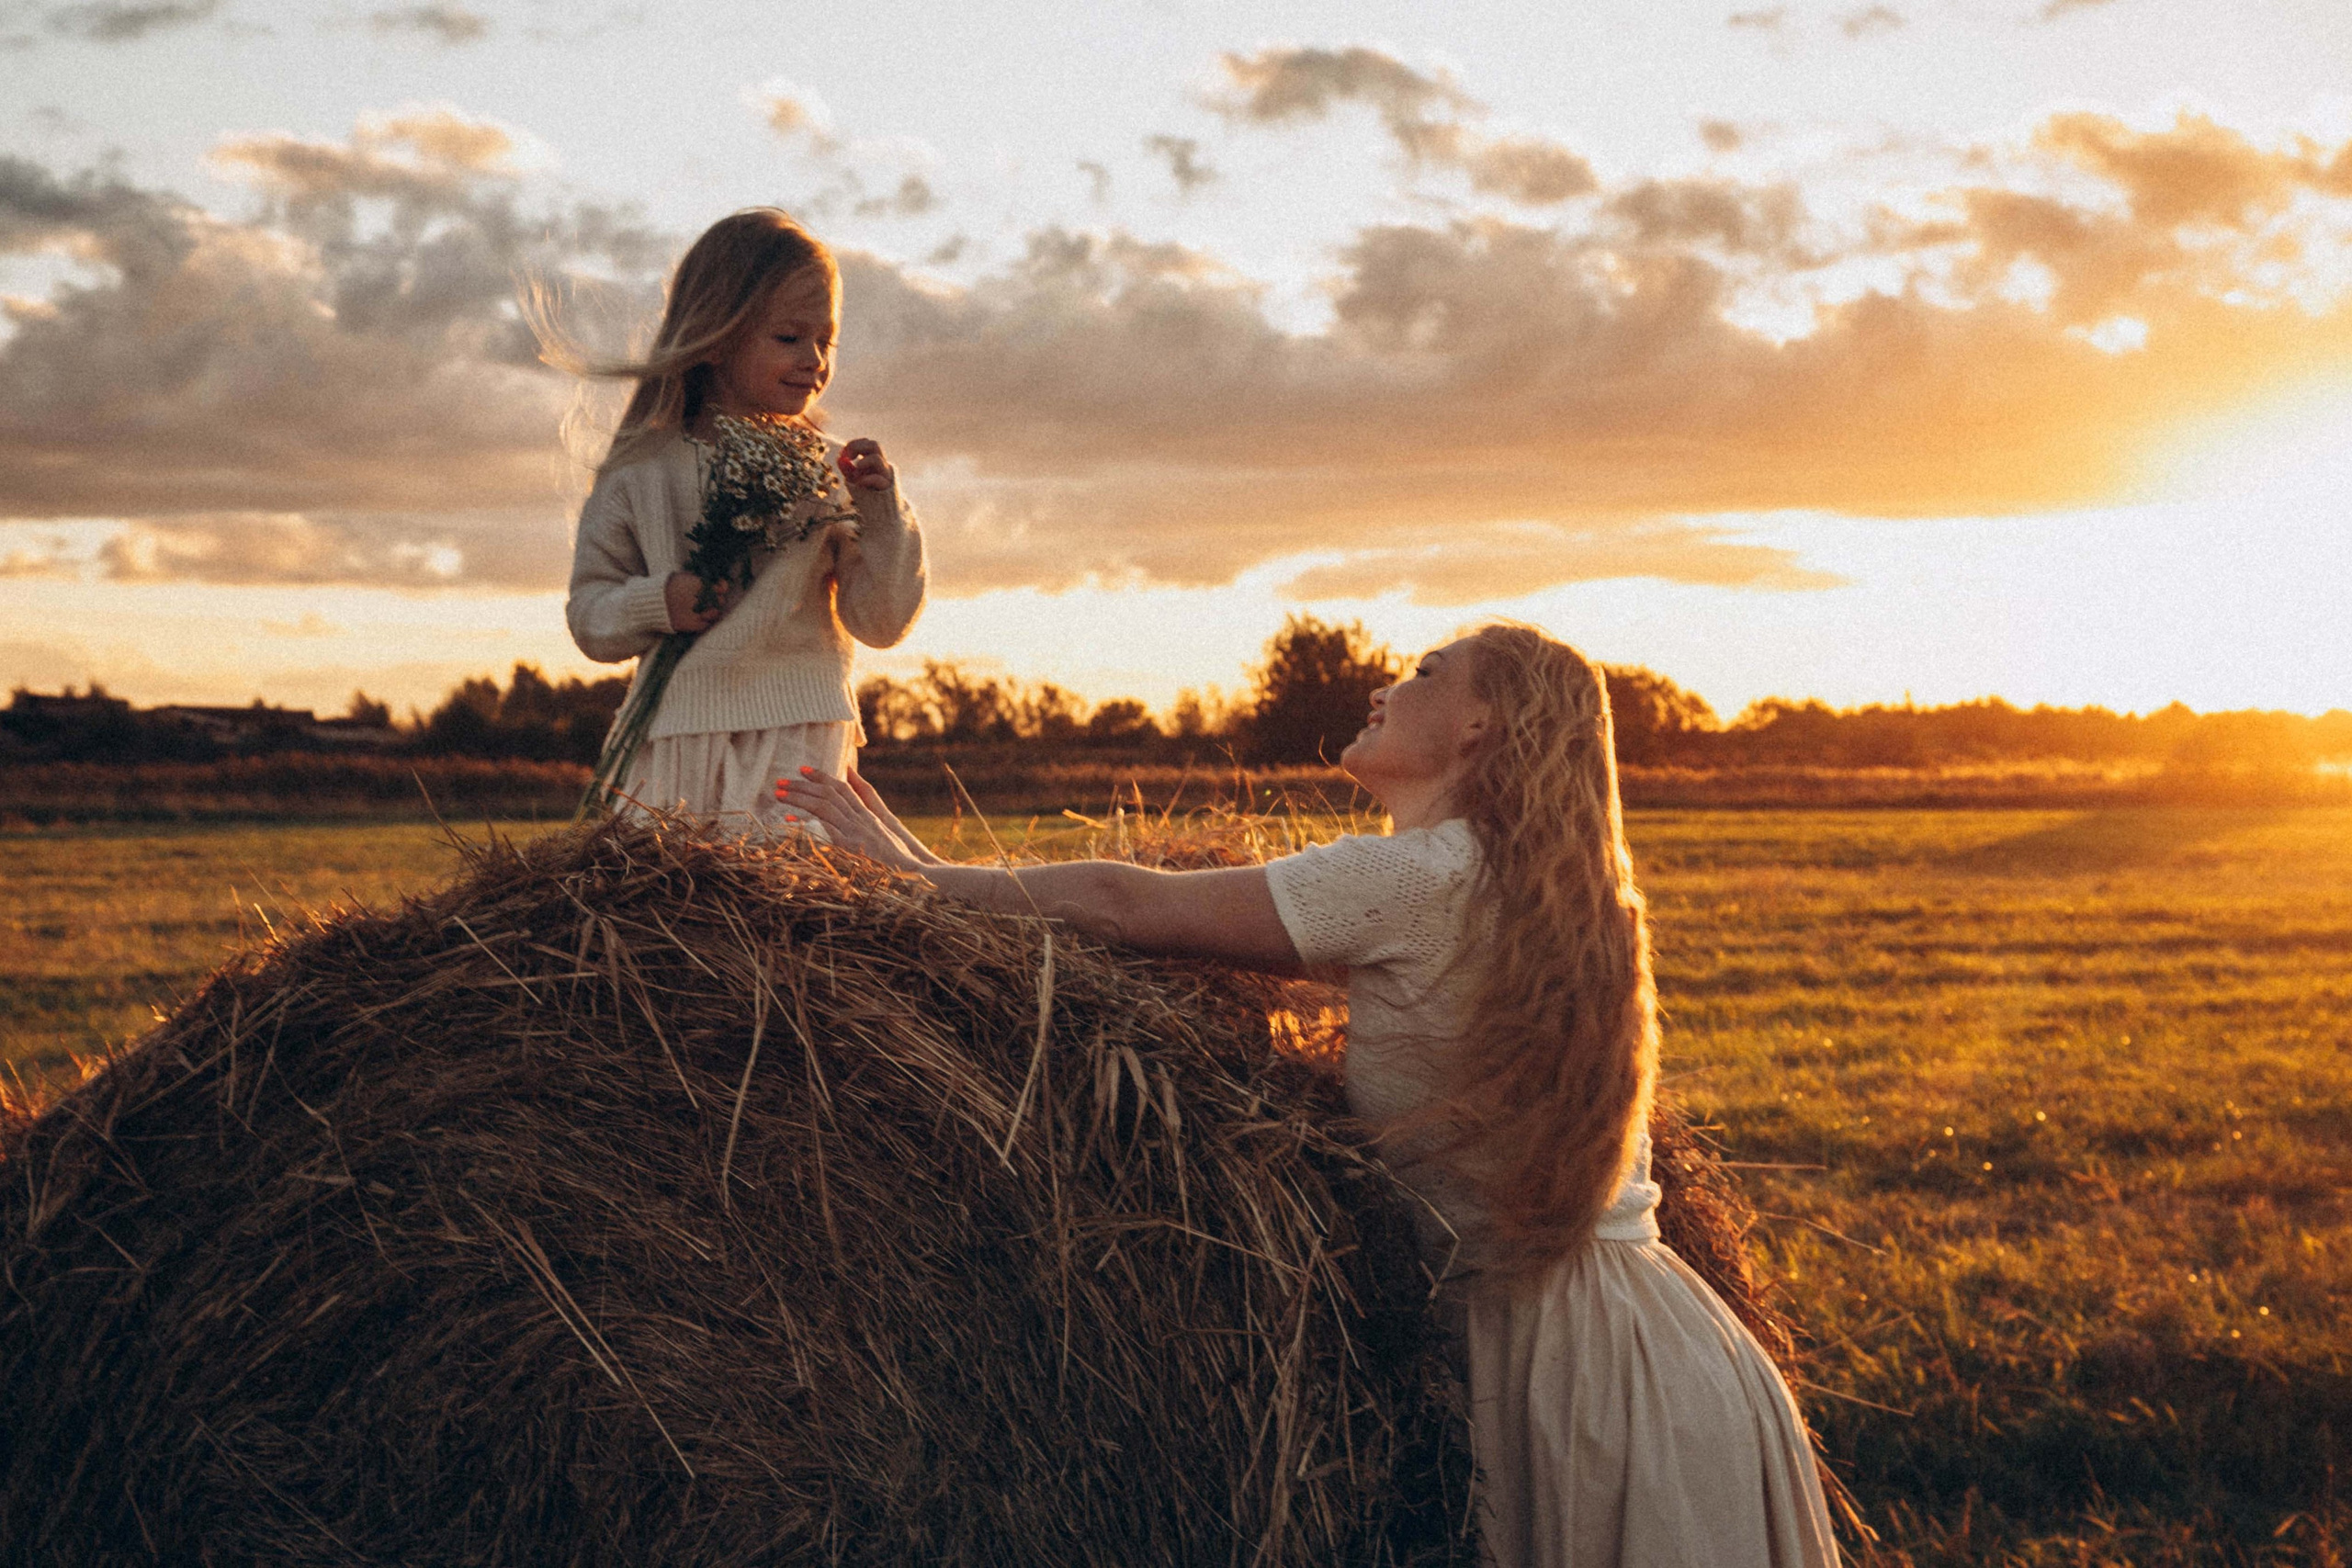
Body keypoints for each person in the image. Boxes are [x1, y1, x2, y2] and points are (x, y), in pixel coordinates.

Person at [776, 623, 1840, 1568]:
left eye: (1425, 669)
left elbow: (1115, 905)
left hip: (1569, 1384)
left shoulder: (1418, 876)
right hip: (1662, 1353)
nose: (1384, 684)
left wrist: (909, 876)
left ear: (1481, 725)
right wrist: (934, 874)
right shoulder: (1531, 884)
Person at [557, 208, 926, 837]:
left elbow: (882, 622)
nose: (814, 359)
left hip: (802, 745)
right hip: (677, 745)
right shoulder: (640, 469)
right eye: (789, 338)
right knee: (672, 911)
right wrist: (658, 602)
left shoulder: (830, 469)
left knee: (798, 911)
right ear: (718, 336)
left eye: (825, 341)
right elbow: (590, 615)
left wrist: (882, 512)